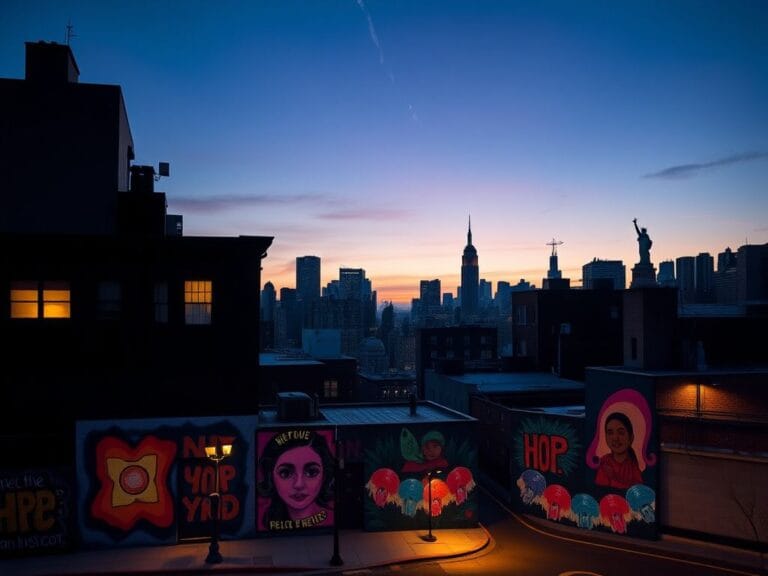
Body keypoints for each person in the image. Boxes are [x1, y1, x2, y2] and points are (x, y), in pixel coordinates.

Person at [257, 430, 335, 530]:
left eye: (311, 472)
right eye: (285, 473)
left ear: (325, 475)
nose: (299, 484)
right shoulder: (262, 519)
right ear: (270, 476)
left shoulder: (334, 519)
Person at [595, 412, 643, 490]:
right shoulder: (605, 462)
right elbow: (600, 490)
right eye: (610, 433)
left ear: (631, 438)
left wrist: (613, 478)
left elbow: (637, 491)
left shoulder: (632, 464)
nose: (615, 438)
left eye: (621, 433)